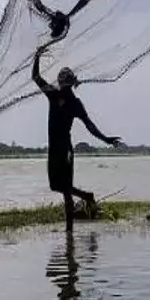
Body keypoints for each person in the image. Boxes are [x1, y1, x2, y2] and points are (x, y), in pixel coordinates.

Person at [32, 43, 123, 231]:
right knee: (55, 186)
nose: (62, 85)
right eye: (61, 81)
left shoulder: (75, 104)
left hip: (65, 148)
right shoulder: (53, 95)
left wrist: (105, 139)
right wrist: (37, 56)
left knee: (66, 190)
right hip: (54, 148)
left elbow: (89, 124)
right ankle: (87, 196)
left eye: (65, 81)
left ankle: (69, 234)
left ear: (71, 83)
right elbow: (35, 77)